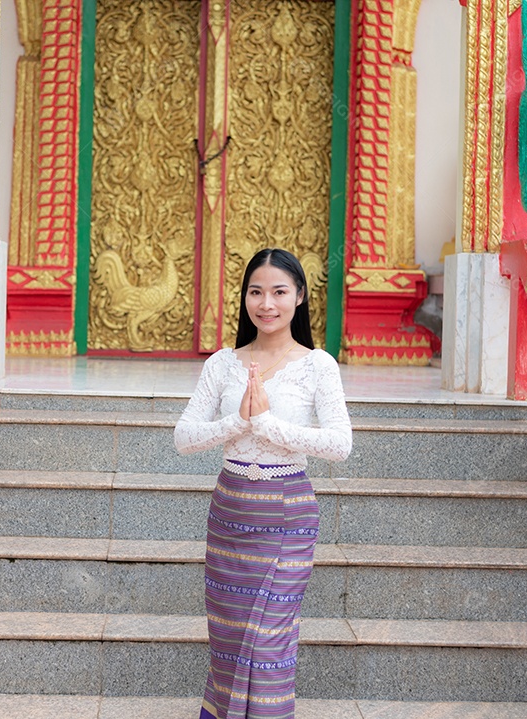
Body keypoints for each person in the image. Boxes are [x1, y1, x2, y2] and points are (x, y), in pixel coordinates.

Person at [174, 248, 353, 719]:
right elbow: (184, 437)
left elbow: (340, 444)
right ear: (245, 298)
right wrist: (238, 422)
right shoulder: (222, 363)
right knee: (229, 640)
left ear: (299, 296)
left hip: (288, 515)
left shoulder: (318, 365)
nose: (266, 303)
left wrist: (269, 425)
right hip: (231, 513)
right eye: (256, 292)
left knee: (270, 641)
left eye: (278, 291)